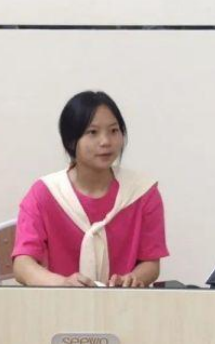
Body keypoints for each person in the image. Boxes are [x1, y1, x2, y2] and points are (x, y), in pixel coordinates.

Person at [12, 91, 169, 287]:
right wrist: (63, 284)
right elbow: (22, 264)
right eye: (93, 132)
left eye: (114, 131)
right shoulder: (45, 193)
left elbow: (151, 263)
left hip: (122, 302)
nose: (106, 142)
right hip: (58, 302)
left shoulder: (142, 192)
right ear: (71, 140)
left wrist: (131, 279)